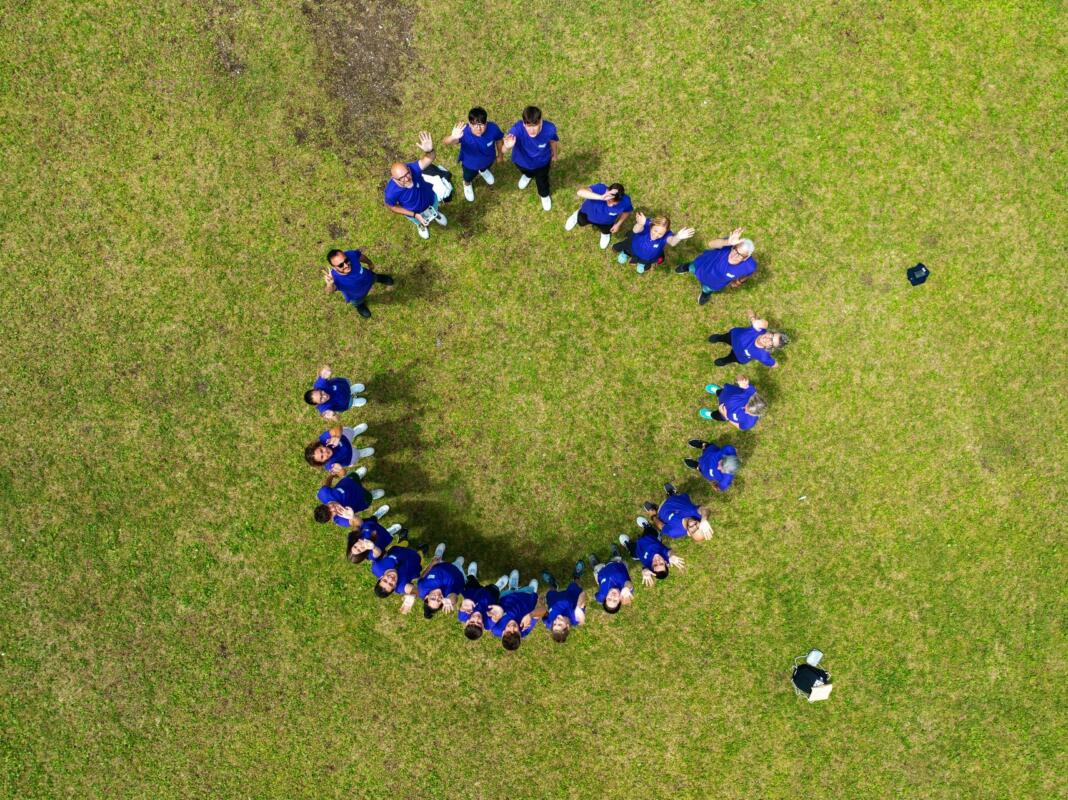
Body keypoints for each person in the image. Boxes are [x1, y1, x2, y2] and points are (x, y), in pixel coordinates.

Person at [384, 132, 447, 239]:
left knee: (435, 208)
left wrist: (429, 151)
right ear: (394, 179)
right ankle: (421, 225)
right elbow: (392, 206)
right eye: (402, 178)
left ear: (408, 168)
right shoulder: (391, 192)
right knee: (418, 221)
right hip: (414, 212)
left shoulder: (412, 169)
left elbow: (429, 158)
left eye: (407, 173)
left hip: (431, 200)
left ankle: (436, 213)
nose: (407, 178)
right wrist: (414, 215)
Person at [675, 227, 758, 305]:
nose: (735, 255)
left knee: (707, 289)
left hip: (714, 283)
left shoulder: (750, 266)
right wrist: (728, 242)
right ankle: (686, 267)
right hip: (702, 266)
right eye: (735, 250)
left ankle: (705, 294)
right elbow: (710, 244)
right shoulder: (729, 244)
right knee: (691, 267)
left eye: (740, 255)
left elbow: (749, 274)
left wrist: (739, 282)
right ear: (733, 247)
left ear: (746, 257)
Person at [441, 107, 504, 203]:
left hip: (488, 160)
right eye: (474, 125)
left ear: (486, 122)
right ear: (469, 124)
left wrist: (500, 155)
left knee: (485, 167)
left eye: (482, 125)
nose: (478, 128)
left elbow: (499, 139)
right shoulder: (464, 132)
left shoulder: (493, 128)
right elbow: (445, 142)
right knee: (468, 177)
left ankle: (483, 171)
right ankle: (467, 184)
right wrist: (452, 137)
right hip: (469, 165)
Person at [502, 106, 558, 211]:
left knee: (542, 182)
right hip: (522, 162)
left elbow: (553, 141)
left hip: (542, 164)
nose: (532, 130)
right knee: (527, 172)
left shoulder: (550, 129)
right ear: (524, 123)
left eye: (535, 125)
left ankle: (544, 195)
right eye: (528, 126)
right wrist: (507, 147)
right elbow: (503, 150)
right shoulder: (516, 130)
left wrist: (555, 155)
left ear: (541, 121)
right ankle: (528, 176)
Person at [322, 249, 394, 319]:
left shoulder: (351, 254)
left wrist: (369, 263)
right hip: (356, 296)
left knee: (375, 277)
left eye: (346, 260)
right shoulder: (335, 279)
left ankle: (381, 278)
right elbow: (329, 291)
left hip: (369, 278)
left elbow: (361, 257)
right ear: (334, 267)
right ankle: (360, 306)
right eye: (341, 265)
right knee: (358, 302)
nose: (346, 265)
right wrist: (329, 284)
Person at [614, 212, 694, 274]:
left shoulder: (667, 234)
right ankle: (625, 253)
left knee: (645, 260)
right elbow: (635, 230)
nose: (656, 235)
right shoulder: (646, 225)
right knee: (628, 249)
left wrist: (678, 237)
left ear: (665, 232)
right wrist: (640, 223)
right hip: (634, 247)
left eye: (660, 234)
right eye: (655, 231)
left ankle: (642, 263)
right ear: (651, 226)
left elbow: (672, 242)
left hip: (648, 256)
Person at [563, 182, 633, 250]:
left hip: (606, 223)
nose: (611, 205)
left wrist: (618, 224)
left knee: (606, 230)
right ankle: (576, 215)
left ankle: (605, 234)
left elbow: (627, 211)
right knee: (581, 222)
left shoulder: (625, 201)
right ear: (607, 191)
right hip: (586, 214)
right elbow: (580, 192)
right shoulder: (600, 188)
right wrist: (601, 197)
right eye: (609, 201)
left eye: (614, 204)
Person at [706, 310, 787, 367]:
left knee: (730, 358)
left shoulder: (763, 356)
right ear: (770, 332)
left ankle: (725, 360)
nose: (768, 339)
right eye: (772, 336)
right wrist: (753, 319)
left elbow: (775, 365)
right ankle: (719, 338)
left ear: (770, 347)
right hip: (733, 337)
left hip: (739, 356)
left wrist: (773, 362)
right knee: (724, 337)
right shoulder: (758, 329)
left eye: (772, 342)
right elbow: (750, 311)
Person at [372, 542, 437, 613]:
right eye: (391, 584)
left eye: (385, 580)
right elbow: (416, 590)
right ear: (395, 587)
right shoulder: (401, 586)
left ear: (380, 578)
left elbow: (380, 554)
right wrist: (412, 595)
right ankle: (421, 551)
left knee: (403, 543)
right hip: (416, 559)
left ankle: (404, 539)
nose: (390, 579)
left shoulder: (376, 568)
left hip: (397, 549)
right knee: (420, 554)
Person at [487, 570, 542, 650]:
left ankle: (513, 587)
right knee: (530, 589)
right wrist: (531, 615)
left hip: (506, 597)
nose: (512, 627)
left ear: (502, 633)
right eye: (515, 632)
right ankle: (529, 589)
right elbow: (541, 612)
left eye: (508, 631)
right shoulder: (524, 630)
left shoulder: (496, 628)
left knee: (510, 591)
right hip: (526, 597)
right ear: (520, 635)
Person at [314, 467, 385, 527]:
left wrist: (332, 475)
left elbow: (327, 485)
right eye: (331, 513)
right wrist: (352, 517)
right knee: (369, 497)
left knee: (355, 475)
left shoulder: (323, 493)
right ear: (331, 518)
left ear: (324, 504)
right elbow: (359, 523)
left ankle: (358, 475)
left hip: (350, 481)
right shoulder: (341, 520)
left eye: (328, 507)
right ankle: (372, 495)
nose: (333, 508)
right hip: (363, 499)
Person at [619, 523, 685, 585]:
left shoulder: (648, 566)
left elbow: (645, 570)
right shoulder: (665, 555)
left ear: (651, 567)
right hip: (650, 537)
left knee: (632, 552)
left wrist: (644, 571)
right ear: (666, 562)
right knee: (651, 531)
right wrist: (672, 555)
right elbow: (670, 552)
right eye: (661, 563)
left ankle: (627, 543)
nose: (657, 561)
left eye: (655, 565)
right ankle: (647, 526)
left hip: (637, 550)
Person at [642, 483, 712, 541]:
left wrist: (653, 516)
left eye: (693, 531)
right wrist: (704, 520)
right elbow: (705, 510)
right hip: (678, 498)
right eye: (698, 527)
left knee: (656, 512)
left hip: (661, 509)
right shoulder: (698, 516)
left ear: (689, 533)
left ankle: (654, 509)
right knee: (677, 497)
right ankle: (672, 493)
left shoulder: (674, 532)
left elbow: (661, 526)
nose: (694, 525)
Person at [539, 561, 587, 643]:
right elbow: (583, 595)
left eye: (554, 624)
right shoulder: (576, 618)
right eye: (560, 624)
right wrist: (579, 608)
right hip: (572, 594)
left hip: (553, 598)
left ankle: (553, 584)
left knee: (551, 591)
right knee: (576, 585)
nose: (556, 621)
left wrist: (542, 604)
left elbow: (544, 615)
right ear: (567, 626)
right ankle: (577, 576)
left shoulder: (549, 622)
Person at [418, 548, 473, 619]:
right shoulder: (447, 596)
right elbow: (454, 597)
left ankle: (438, 555)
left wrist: (431, 564)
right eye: (438, 600)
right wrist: (449, 600)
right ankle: (469, 572)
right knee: (461, 559)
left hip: (440, 564)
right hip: (457, 571)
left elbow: (422, 576)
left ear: (426, 597)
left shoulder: (422, 588)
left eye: (433, 598)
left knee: (439, 555)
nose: (437, 597)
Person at [700, 376, 766, 430]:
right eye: (747, 408)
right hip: (726, 393)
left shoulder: (749, 422)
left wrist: (726, 417)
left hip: (724, 414)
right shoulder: (750, 391)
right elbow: (739, 376)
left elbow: (739, 427)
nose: (745, 412)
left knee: (718, 415)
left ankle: (711, 415)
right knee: (722, 393)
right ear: (751, 399)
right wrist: (741, 380)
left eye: (749, 413)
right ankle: (717, 391)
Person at [458, 573, 510, 640]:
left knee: (471, 581)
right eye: (479, 623)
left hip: (473, 591)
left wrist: (465, 602)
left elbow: (462, 607)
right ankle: (497, 586)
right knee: (494, 589)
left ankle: (472, 574)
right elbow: (497, 616)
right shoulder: (488, 624)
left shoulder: (462, 616)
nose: (476, 618)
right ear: (483, 627)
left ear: (467, 622)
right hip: (490, 595)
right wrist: (499, 611)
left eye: (472, 621)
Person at [304, 425, 374, 475]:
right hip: (350, 456)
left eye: (321, 450)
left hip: (345, 437)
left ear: (320, 445)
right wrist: (340, 469)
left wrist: (337, 436)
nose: (325, 453)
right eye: (322, 457)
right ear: (322, 462)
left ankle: (355, 432)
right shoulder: (330, 466)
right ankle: (361, 453)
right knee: (357, 454)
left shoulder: (324, 439)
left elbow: (338, 427)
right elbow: (343, 474)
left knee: (350, 432)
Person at [590, 547, 634, 614]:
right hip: (617, 564)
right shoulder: (625, 591)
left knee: (597, 568)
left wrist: (597, 599)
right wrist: (627, 588)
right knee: (618, 559)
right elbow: (629, 584)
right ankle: (616, 555)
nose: (613, 596)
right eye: (615, 600)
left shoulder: (602, 595)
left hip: (600, 572)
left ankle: (595, 564)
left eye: (609, 599)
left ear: (605, 598)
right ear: (620, 599)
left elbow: (597, 598)